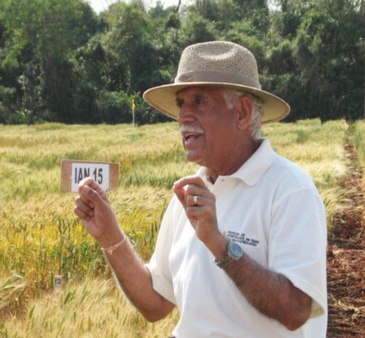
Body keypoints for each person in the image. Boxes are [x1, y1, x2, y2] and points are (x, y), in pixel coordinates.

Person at [74, 41, 327, 337]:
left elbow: (296, 310)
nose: (183, 117)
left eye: (199, 102)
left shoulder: (289, 190)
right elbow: (155, 304)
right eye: (181, 104)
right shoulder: (188, 193)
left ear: (242, 113)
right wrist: (109, 236)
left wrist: (219, 245)